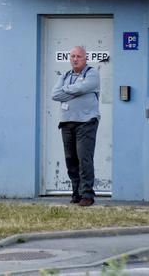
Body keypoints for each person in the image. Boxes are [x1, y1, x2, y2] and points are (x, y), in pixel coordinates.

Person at [52, 46, 100, 207]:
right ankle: (76, 193)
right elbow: (55, 94)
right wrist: (73, 91)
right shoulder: (65, 75)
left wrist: (67, 91)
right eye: (72, 56)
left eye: (79, 56)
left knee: (84, 158)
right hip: (66, 122)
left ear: (86, 58)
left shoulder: (92, 74)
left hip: (86, 122)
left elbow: (83, 87)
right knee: (70, 159)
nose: (75, 59)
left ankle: (87, 194)